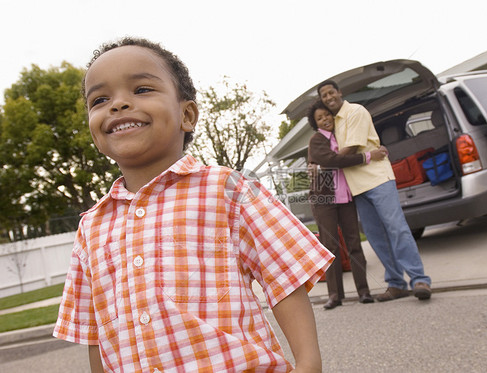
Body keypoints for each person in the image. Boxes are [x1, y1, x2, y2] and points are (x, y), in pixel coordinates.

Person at [53, 37, 334, 373]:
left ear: (187, 115)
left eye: (141, 89)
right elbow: (97, 332)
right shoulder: (92, 226)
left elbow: (284, 276)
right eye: (100, 99)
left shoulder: (228, 190)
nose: (118, 104)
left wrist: (308, 362)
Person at [317, 79, 432, 302]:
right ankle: (396, 283)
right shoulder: (333, 122)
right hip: (357, 188)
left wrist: (327, 160)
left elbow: (349, 150)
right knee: (377, 237)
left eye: (332, 93)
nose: (329, 98)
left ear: (339, 92)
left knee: (396, 228)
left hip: (378, 179)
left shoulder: (355, 112)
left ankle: (420, 279)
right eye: (324, 96)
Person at [306, 101, 386, 310]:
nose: (325, 120)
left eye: (327, 115)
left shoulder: (342, 136)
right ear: (315, 124)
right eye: (320, 118)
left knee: (354, 245)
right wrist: (368, 156)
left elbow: (339, 158)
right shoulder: (316, 141)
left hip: (347, 198)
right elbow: (333, 160)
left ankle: (364, 291)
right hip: (324, 201)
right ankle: (335, 295)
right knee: (330, 247)